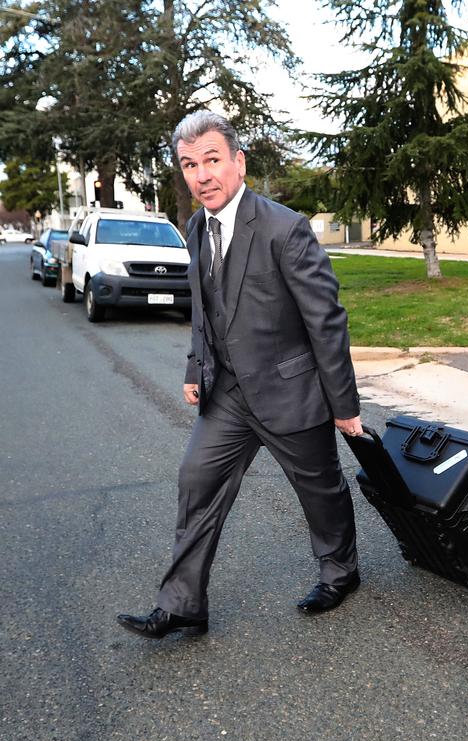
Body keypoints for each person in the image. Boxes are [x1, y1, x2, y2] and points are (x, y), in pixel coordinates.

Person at [117, 110, 364, 639]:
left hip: (289, 389)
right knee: (196, 482)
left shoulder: (285, 227)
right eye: (189, 165)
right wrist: (194, 367)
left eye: (211, 160)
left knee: (319, 489)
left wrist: (344, 405)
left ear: (238, 161)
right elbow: (204, 307)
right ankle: (183, 604)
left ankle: (340, 571)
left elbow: (326, 321)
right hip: (227, 393)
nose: (201, 175)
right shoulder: (194, 226)